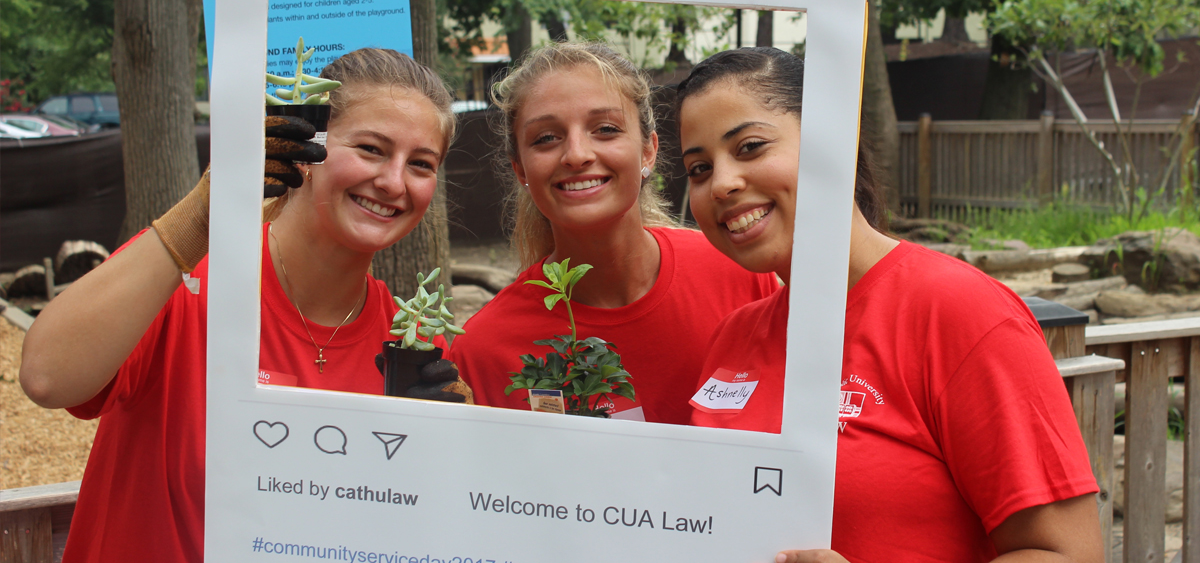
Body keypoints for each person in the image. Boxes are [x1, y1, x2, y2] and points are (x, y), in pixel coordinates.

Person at [19, 48, 467, 563]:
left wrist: (455, 443)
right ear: (306, 148)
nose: (393, 181)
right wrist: (203, 217)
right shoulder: (188, 284)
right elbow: (47, 378)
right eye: (370, 148)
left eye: (421, 164)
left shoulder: (412, 342)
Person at [675, 47, 1103, 562]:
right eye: (699, 168)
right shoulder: (735, 336)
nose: (722, 183)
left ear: (833, 141)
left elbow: (1069, 554)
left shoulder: (962, 314)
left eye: (749, 147)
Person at [445, 42, 777, 423]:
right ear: (520, 169)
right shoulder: (483, 349)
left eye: (605, 129)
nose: (576, 154)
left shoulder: (740, 273)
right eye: (546, 138)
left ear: (648, 152)